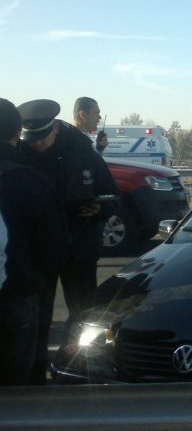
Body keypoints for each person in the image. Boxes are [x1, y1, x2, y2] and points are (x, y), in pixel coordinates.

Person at [18, 99, 119, 384]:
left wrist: (98, 208)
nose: (37, 145)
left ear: (55, 130)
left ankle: (77, 370)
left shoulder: (82, 153)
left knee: (84, 315)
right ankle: (35, 376)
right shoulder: (21, 154)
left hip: (80, 248)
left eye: (42, 139)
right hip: (40, 252)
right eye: (32, 139)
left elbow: (112, 196)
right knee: (38, 317)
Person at [0, 98, 68, 385]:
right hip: (15, 298)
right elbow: (55, 249)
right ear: (18, 133)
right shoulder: (29, 183)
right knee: (17, 391)